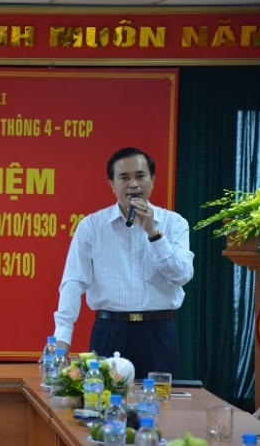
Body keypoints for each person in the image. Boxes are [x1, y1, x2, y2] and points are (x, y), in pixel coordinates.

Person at [53, 147, 194, 378]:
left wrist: (153, 233)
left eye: (140, 176)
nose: (133, 184)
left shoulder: (174, 223)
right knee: (102, 397)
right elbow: (73, 282)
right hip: (110, 331)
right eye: (124, 178)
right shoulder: (92, 226)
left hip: (158, 332)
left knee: (160, 400)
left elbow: (182, 275)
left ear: (153, 180)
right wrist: (62, 338)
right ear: (112, 184)